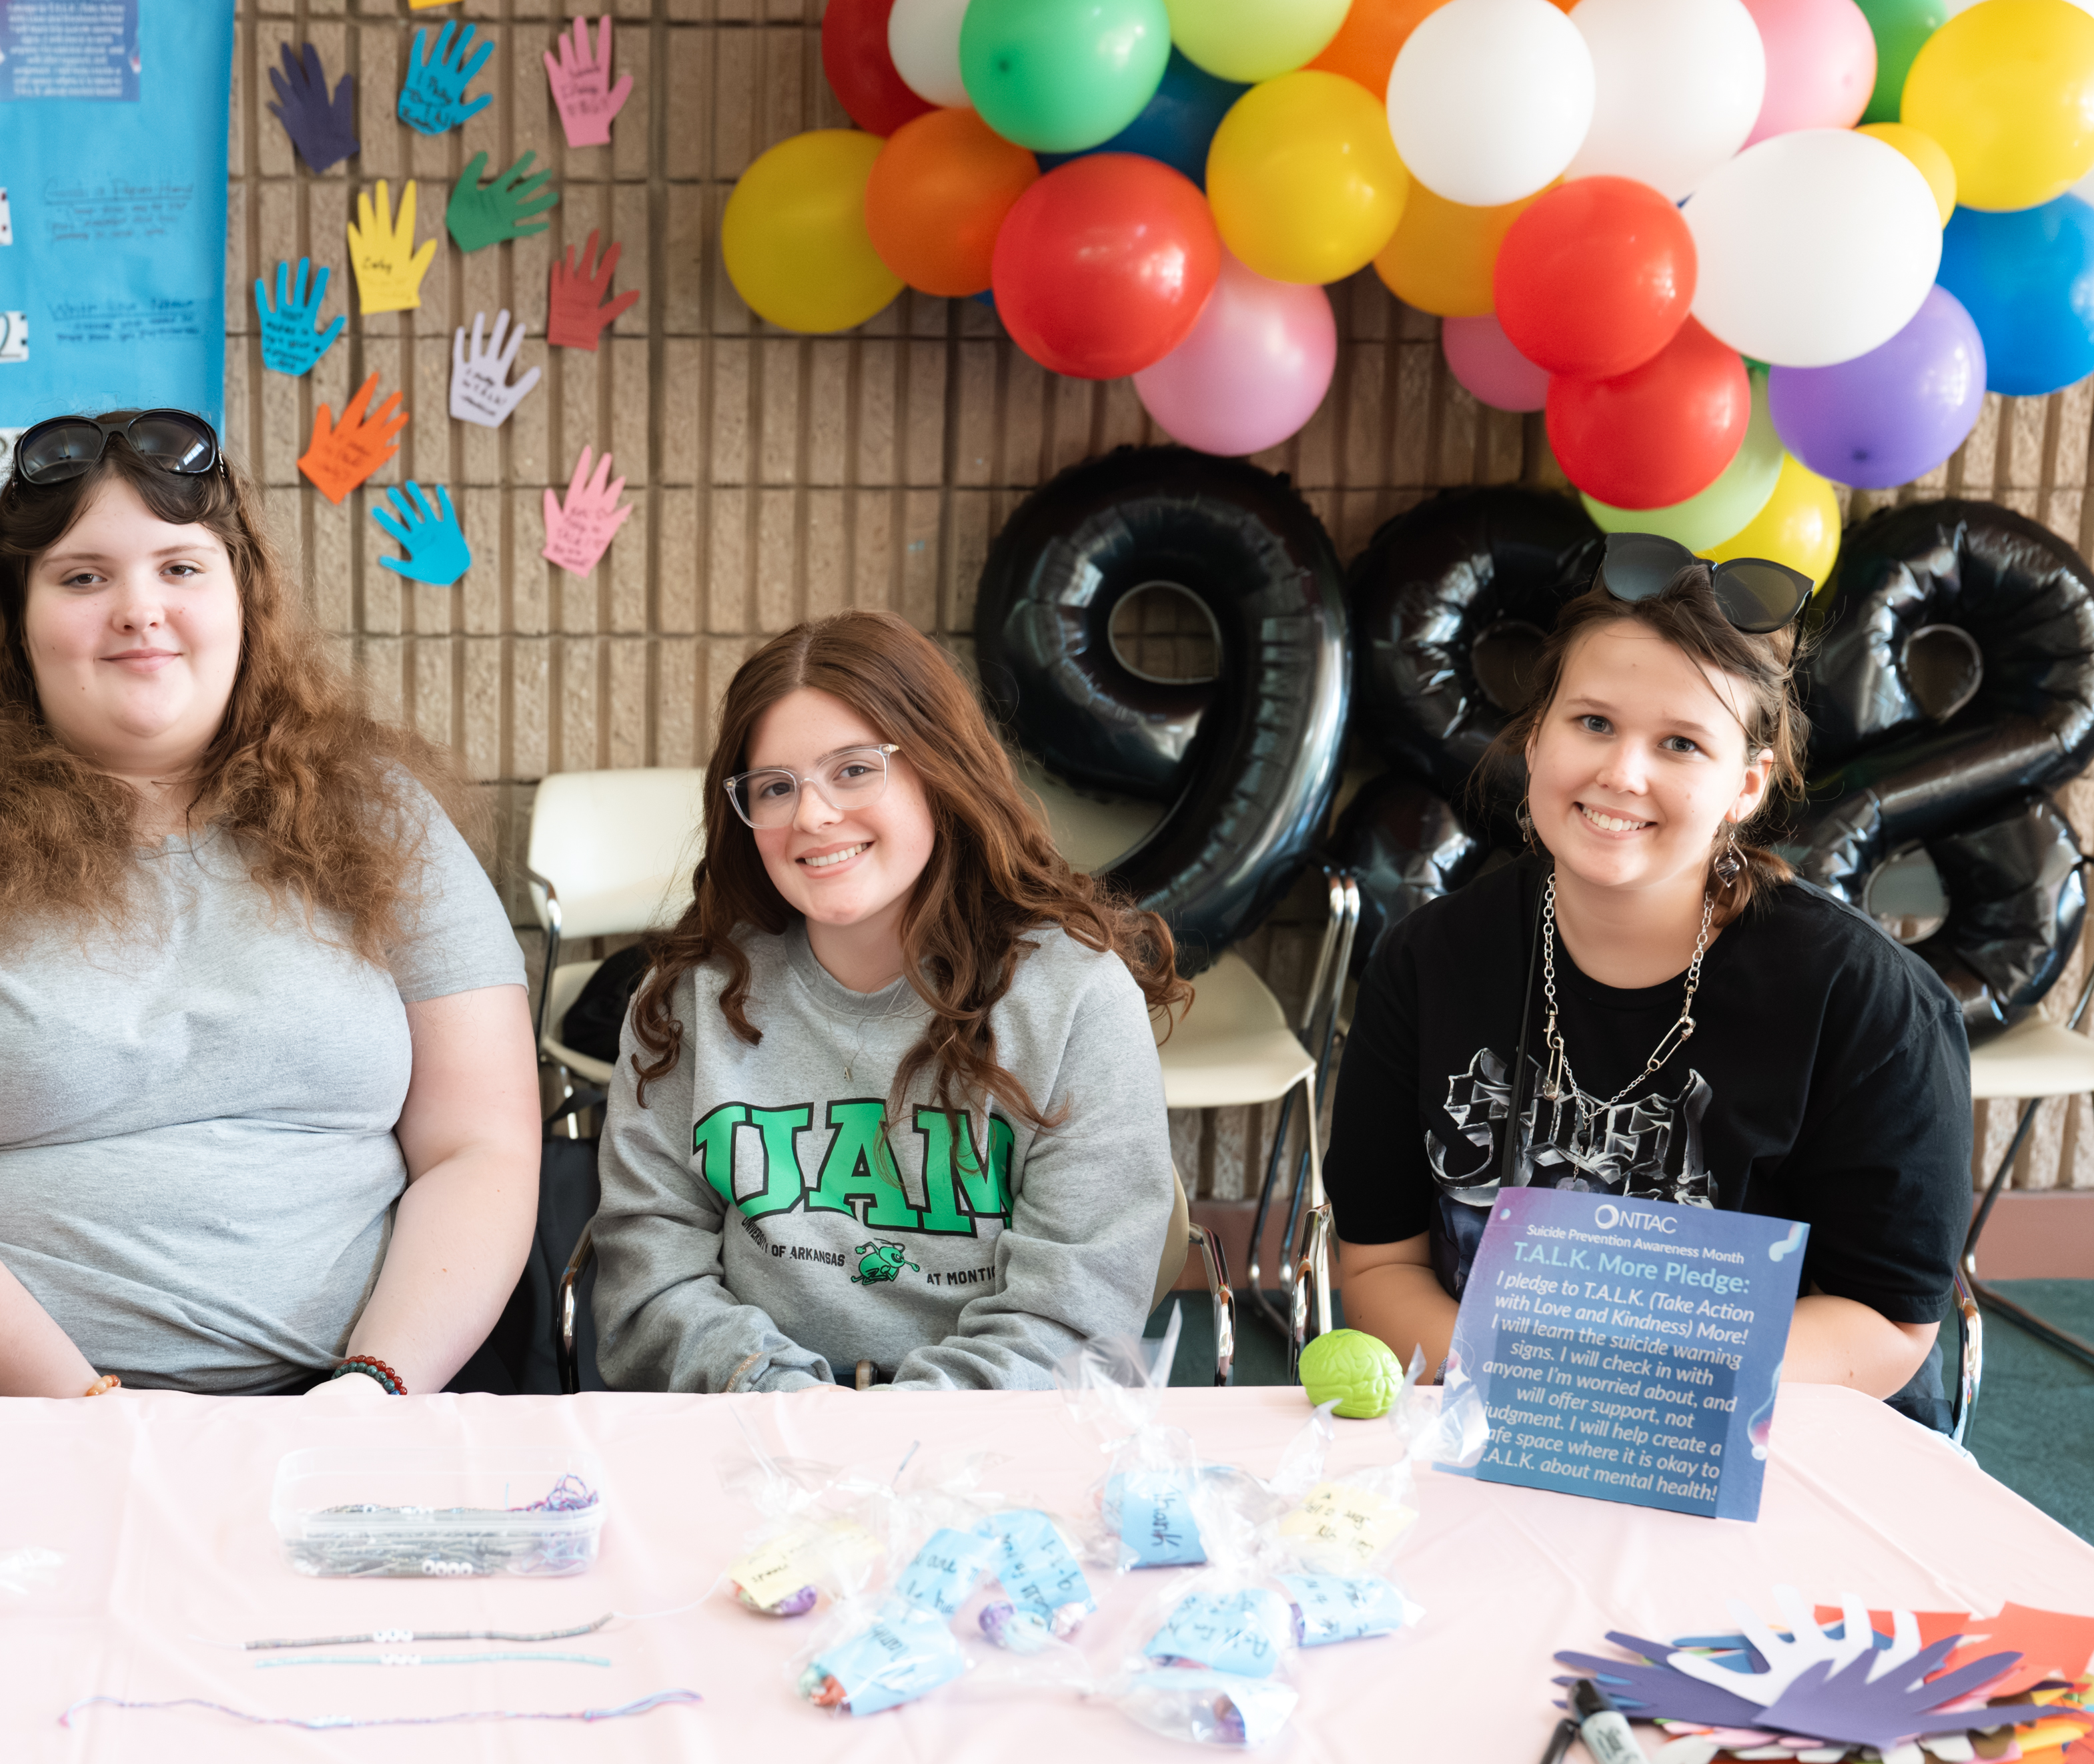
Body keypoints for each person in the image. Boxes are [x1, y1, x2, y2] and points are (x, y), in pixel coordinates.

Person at [0, 409, 536, 1397]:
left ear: (242, 596)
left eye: (180, 568)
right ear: (16, 614)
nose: (138, 609)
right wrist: (93, 1416)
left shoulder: (378, 809)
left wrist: (372, 1390)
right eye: (83, 576)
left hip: (361, 1407)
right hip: (0, 1423)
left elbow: (483, 1143)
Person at [1326, 535, 1970, 1424]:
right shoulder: (1428, 961)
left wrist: (1633, 1396)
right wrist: (1520, 1389)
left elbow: (1888, 1320)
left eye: (1680, 743)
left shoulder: (1866, 998)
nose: (1621, 773)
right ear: (1536, 733)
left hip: (1780, 1439)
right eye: (1593, 722)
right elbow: (1378, 1266)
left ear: (1746, 785)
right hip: (1500, 1420)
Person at [592, 610, 1184, 1393]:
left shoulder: (1071, 994)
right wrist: (785, 1404)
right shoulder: (685, 1001)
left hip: (992, 1450)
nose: (811, 815)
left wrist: (897, 1431)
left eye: (853, 769)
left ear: (938, 771)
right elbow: (649, 1277)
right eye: (775, 787)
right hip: (753, 1437)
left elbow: (1074, 1308)